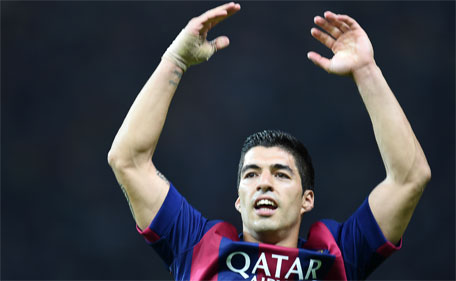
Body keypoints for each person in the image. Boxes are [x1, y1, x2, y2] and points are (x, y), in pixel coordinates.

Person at [107, 2, 431, 280]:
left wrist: (366, 70)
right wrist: (174, 62)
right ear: (238, 200)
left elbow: (409, 178)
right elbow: (128, 160)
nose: (264, 183)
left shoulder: (339, 255)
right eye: (251, 174)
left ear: (307, 199)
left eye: (281, 173)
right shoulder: (196, 245)